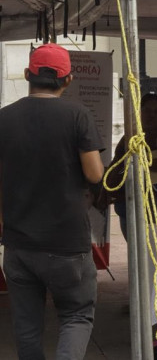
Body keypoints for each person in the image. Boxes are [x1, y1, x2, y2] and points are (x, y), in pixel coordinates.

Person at [0, 43, 104, 359]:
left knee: (27, 325)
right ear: (68, 79)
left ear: (27, 75)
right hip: (66, 243)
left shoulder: (4, 117)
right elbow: (95, 174)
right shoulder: (78, 115)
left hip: (19, 243)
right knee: (76, 316)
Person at [112, 92, 157, 234]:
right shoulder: (130, 135)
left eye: (156, 112)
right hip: (127, 200)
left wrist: (139, 165)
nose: (151, 115)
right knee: (136, 252)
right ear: (139, 112)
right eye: (147, 110)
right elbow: (116, 164)